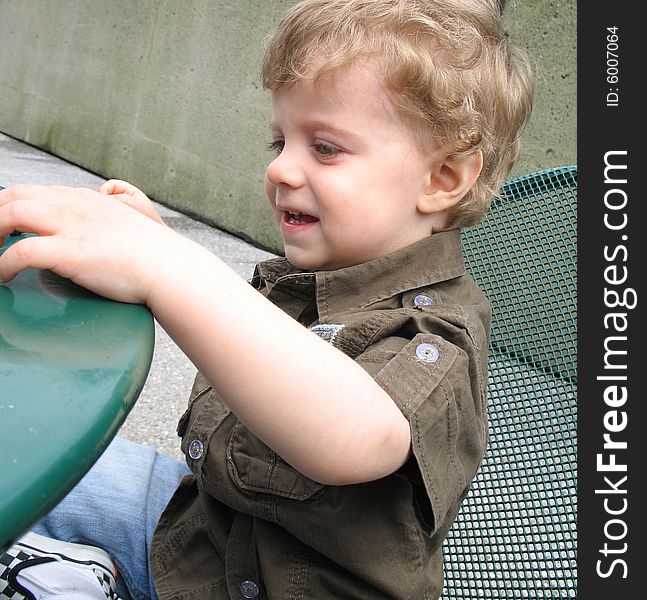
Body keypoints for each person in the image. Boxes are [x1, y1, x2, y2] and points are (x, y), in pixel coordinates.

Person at [0, 0, 533, 598]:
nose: (281, 169)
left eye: (325, 148)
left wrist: (169, 268)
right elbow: (238, 334)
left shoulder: (437, 335)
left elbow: (356, 435)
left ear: (442, 180)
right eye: (279, 140)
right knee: (18, 457)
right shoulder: (312, 276)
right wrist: (154, 247)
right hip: (203, 534)